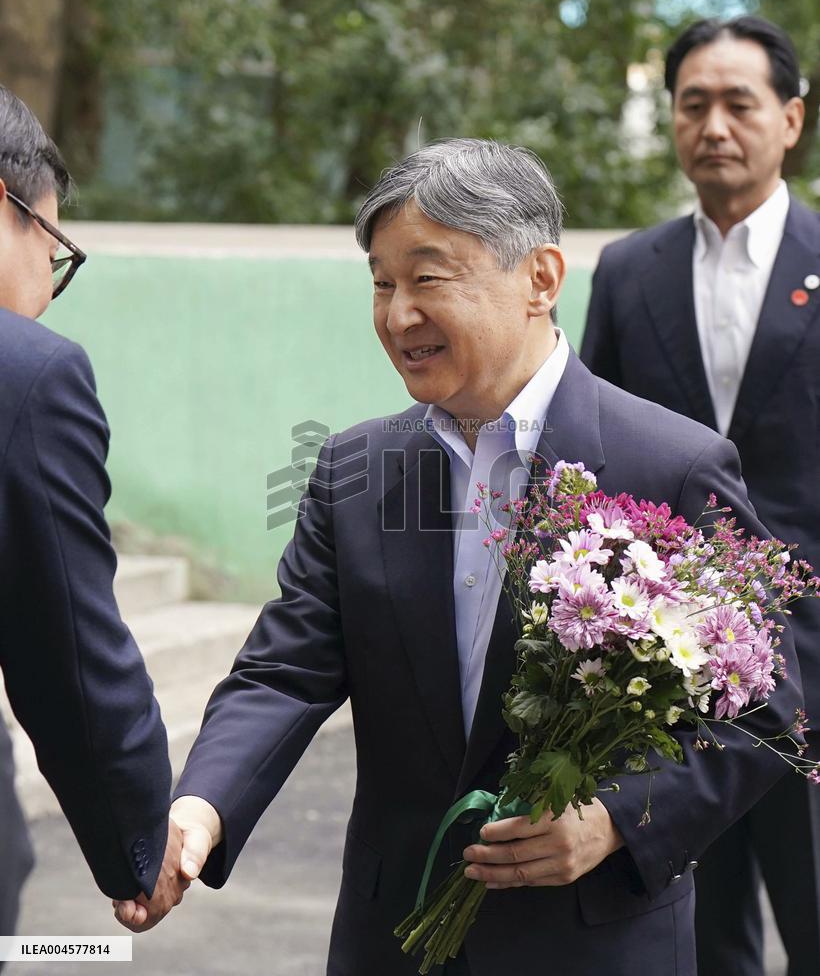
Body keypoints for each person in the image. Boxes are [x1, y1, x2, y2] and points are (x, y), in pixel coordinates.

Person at [117, 138, 803, 975]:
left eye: (428, 278)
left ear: (541, 279)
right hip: (394, 935)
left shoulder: (672, 465)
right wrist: (198, 813)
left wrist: (616, 818)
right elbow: (284, 671)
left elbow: (766, 704)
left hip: (594, 939)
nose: (398, 313)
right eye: (381, 282)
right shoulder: (355, 471)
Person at [580, 15, 820, 976]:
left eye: (739, 103)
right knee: (701, 930)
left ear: (790, 119)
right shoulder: (629, 271)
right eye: (693, 105)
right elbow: (589, 460)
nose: (715, 125)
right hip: (671, 673)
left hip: (812, 664)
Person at [0, 84, 189, 948]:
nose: (49, 279)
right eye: (53, 243)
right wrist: (137, 844)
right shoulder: (27, 372)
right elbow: (67, 644)